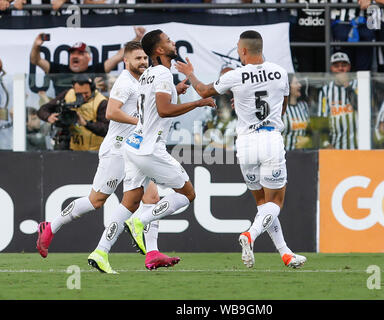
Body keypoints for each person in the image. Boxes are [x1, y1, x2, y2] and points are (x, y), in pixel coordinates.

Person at [36, 41, 183, 273]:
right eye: (138, 59)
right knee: (96, 201)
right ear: (126, 61)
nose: (143, 62)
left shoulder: (145, 79)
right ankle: (51, 226)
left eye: (145, 58)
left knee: (152, 198)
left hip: (137, 150)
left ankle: (152, 253)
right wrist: (142, 122)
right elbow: (111, 112)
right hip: (116, 150)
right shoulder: (124, 82)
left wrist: (176, 92)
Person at [176, 30, 307, 269]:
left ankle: (285, 252)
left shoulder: (235, 76)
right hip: (270, 139)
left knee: (262, 204)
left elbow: (203, 91)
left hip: (245, 144)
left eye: (238, 48)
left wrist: (189, 74)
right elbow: (282, 106)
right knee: (275, 202)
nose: (238, 51)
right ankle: (250, 235)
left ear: (244, 51)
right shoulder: (280, 73)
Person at [121, 30, 216, 258]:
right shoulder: (163, 73)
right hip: (150, 149)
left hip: (135, 144)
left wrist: (175, 90)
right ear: (160, 50)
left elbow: (154, 104)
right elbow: (164, 110)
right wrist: (198, 102)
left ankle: (149, 252)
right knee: (187, 195)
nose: (173, 42)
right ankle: (138, 222)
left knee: (147, 199)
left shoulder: (149, 74)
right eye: (168, 40)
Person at [30, 27, 146, 95]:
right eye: (72, 53)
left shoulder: (96, 70)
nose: (75, 56)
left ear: (89, 58)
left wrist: (137, 38)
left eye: (80, 53)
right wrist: (36, 45)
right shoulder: (58, 69)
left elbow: (119, 56)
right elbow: (36, 60)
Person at [37, 75, 109, 150]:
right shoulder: (68, 94)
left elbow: (106, 129)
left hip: (93, 150)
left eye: (86, 93)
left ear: (92, 89)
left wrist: (86, 123)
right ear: (74, 89)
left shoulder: (101, 102)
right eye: (79, 94)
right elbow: (42, 110)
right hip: (70, 147)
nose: (83, 96)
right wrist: (49, 117)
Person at [317, 52, 358, 149]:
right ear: (331, 68)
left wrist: (347, 85)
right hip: (335, 147)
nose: (340, 69)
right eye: (336, 66)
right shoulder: (325, 91)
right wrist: (326, 143)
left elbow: (361, 108)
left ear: (349, 67)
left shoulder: (358, 85)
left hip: (358, 146)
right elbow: (322, 120)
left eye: (343, 65)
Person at [331, 0, 375, 71]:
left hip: (365, 23)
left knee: (363, 68)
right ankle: (343, 82)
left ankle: (361, 82)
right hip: (342, 23)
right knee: (342, 64)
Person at [282, 73, 310, 150]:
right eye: (296, 83)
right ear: (288, 86)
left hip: (302, 155)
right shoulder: (280, 108)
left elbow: (310, 131)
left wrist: (307, 139)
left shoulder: (303, 106)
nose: (300, 85)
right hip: (285, 155)